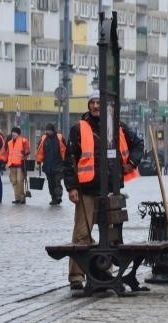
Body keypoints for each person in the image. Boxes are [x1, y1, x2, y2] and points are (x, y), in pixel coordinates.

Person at [63, 90, 144, 290]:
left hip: (110, 188)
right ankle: (76, 276)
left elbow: (138, 144)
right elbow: (69, 160)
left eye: (99, 103)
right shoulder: (78, 129)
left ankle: (103, 271)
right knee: (82, 233)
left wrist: (132, 162)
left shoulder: (117, 127)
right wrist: (72, 187)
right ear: (88, 105)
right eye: (93, 103)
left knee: (110, 234)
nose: (96, 106)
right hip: (87, 189)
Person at [36, 123, 68, 205]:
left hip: (58, 165)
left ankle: (58, 197)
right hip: (48, 165)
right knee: (51, 183)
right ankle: (53, 197)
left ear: (53, 130)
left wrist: (66, 161)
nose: (48, 132)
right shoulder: (43, 139)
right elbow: (40, 150)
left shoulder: (60, 138)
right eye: (47, 130)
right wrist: (39, 160)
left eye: (49, 130)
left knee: (57, 181)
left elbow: (65, 150)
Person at [6, 127, 30, 204]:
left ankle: (22, 198)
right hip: (12, 165)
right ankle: (17, 198)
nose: (13, 133)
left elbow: (27, 150)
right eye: (12, 132)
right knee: (14, 182)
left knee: (20, 181)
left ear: (18, 134)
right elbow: (8, 153)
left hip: (20, 164)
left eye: (15, 132)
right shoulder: (9, 142)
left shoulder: (23, 141)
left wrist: (25, 152)